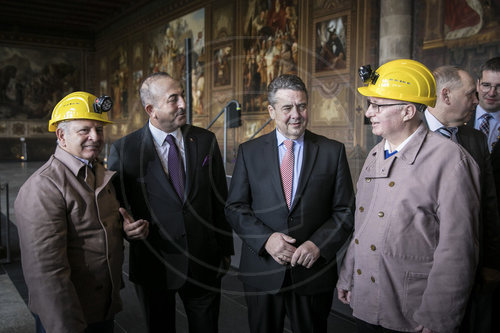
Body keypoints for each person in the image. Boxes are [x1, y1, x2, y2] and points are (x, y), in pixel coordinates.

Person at [336, 59, 481, 333]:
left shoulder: (450, 160)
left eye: (378, 106)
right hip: (367, 298)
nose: (369, 113)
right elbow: (362, 226)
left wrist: (438, 317)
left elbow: (458, 249)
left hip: (411, 312)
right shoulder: (375, 154)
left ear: (407, 111)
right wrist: (348, 276)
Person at [225, 74, 355, 333]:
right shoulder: (249, 151)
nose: (296, 114)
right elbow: (235, 207)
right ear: (271, 111)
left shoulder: (332, 151)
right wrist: (266, 240)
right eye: (287, 108)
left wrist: (318, 244)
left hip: (312, 273)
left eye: (302, 106)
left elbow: (345, 210)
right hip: (262, 272)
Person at [107, 72, 233, 333]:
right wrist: (126, 230)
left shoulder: (205, 140)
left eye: (182, 96)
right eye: (173, 99)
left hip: (204, 263)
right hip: (155, 265)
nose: (183, 104)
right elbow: (118, 206)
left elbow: (219, 199)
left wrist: (224, 251)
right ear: (151, 110)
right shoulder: (125, 149)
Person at [14, 92, 147, 333]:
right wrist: (67, 326)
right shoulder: (43, 187)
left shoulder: (98, 173)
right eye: (84, 130)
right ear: (61, 135)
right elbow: (47, 275)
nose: (95, 137)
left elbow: (96, 227)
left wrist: (125, 230)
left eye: (99, 129)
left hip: (102, 307)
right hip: (68, 315)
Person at [425, 65, 500, 333]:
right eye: (471, 94)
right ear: (445, 95)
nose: (477, 101)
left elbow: (489, 205)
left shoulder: (476, 139)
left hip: (472, 269)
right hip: (420, 270)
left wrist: (492, 262)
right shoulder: (410, 132)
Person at [465, 56, 500, 333]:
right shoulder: (461, 121)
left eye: (499, 87)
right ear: (477, 85)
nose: (491, 92)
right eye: (486, 85)